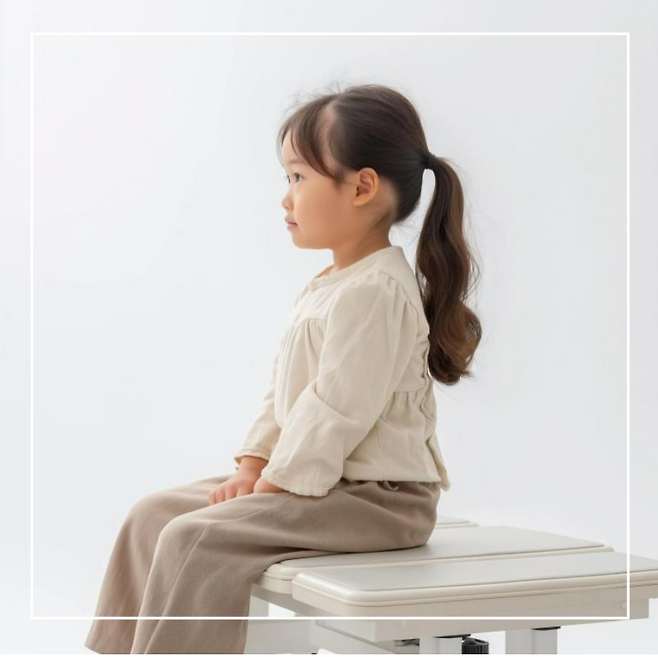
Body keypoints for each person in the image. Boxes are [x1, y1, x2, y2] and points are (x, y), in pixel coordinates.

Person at [84, 82, 482, 654]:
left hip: (380, 501)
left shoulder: (376, 292)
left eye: (298, 177)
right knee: (152, 516)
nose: (285, 198)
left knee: (195, 538)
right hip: (319, 484)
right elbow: (285, 394)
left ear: (362, 187)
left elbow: (335, 410)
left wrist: (268, 487)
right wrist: (252, 467)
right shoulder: (331, 285)